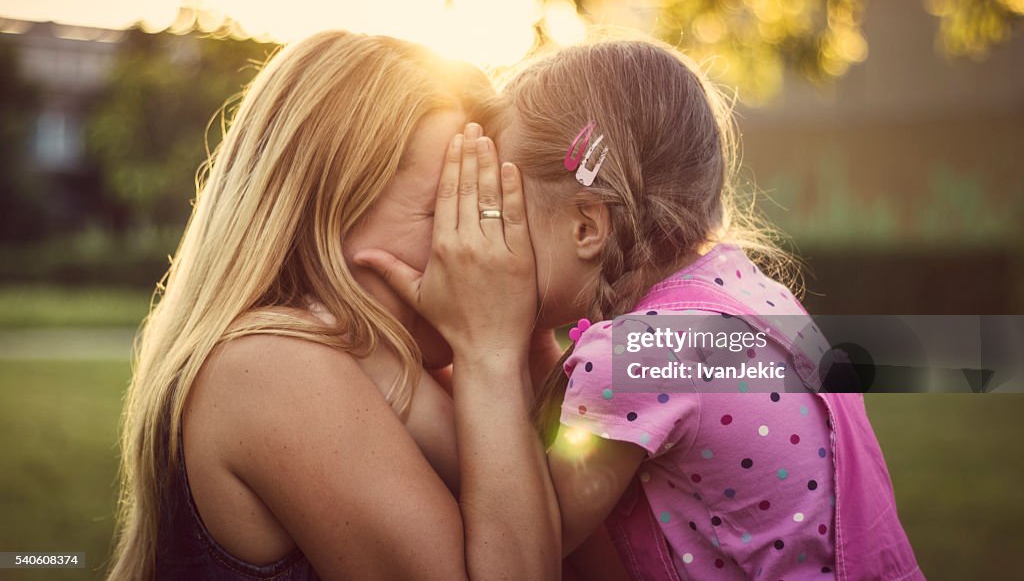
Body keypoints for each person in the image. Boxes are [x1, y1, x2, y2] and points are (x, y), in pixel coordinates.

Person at [359, 38, 924, 580]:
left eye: (501, 215)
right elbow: (539, 451)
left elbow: (524, 543)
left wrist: (418, 363)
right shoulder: (745, 298)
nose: (484, 245)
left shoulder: (639, 353)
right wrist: (525, 328)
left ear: (586, 226)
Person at [108, 31, 561, 580]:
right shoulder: (271, 368)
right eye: (452, 210)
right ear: (325, 215)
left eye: (489, 211)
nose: (483, 251)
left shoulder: (407, 368)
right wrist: (491, 354)